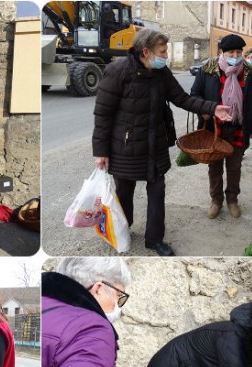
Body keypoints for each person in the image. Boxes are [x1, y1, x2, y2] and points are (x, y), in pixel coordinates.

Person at [95, 28, 230, 256]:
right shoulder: (118, 71)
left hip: (155, 145)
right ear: (146, 52)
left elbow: (182, 98)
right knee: (124, 191)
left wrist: (212, 108)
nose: (166, 55)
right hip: (126, 147)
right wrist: (100, 151)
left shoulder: (161, 72)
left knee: (157, 191)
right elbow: (103, 114)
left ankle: (154, 239)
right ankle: (122, 229)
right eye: (163, 50)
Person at [191, 34, 252, 220]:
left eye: (239, 52)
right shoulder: (208, 69)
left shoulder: (250, 72)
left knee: (234, 167)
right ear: (223, 52)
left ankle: (232, 200)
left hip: (238, 127)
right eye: (231, 52)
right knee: (214, 168)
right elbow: (195, 94)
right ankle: (216, 201)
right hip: (215, 128)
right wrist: (206, 110)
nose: (236, 55)